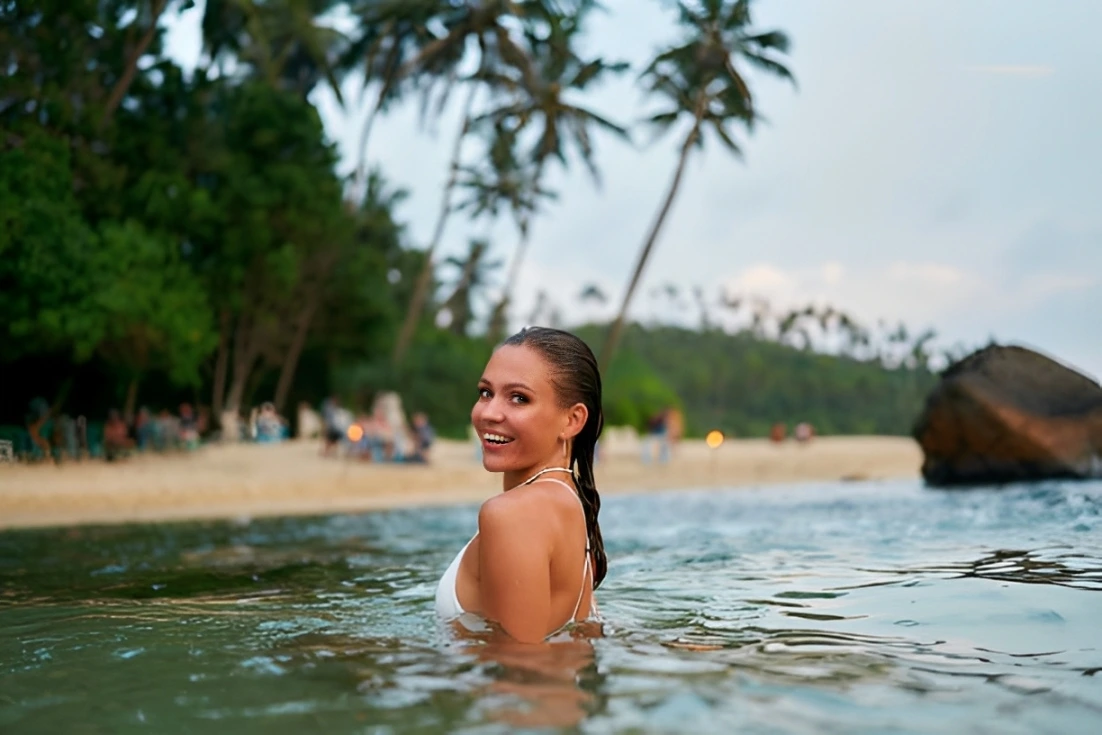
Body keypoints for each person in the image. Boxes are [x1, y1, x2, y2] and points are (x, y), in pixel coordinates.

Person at [435, 326, 606, 644]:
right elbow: (582, 635)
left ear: (572, 421)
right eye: (486, 392)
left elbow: (518, 666)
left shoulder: (512, 514)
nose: (489, 413)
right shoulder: (571, 504)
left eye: (519, 398)